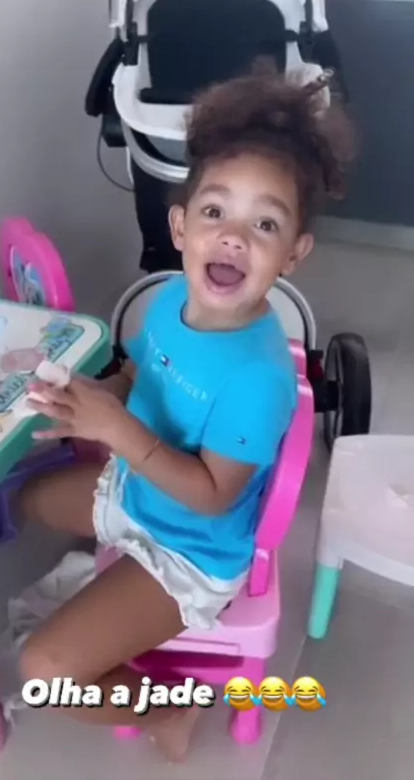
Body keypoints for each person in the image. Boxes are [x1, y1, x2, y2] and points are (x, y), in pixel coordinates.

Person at [18, 70, 353, 760]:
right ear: (180, 226)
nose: (233, 238)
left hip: (191, 553)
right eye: (215, 212)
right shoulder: (170, 299)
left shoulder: (258, 378)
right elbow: (138, 372)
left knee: (43, 674)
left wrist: (116, 431)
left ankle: (169, 711)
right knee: (29, 499)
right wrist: (92, 399)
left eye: (265, 224)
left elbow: (211, 496)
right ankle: (110, 610)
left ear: (294, 253)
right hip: (138, 494)